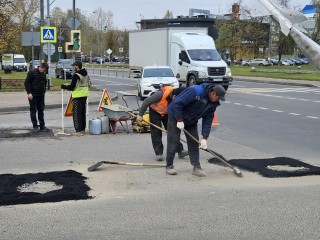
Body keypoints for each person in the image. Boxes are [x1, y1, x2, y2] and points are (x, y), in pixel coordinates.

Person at [165, 83, 226, 177]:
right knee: (174, 141)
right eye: (219, 98)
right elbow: (177, 104)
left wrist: (205, 138)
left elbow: (208, 121)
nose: (219, 100)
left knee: (194, 141)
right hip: (175, 115)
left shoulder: (213, 104)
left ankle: (196, 167)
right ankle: (169, 166)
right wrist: (179, 120)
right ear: (214, 94)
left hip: (191, 120)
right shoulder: (196, 91)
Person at [137, 86, 188, 161]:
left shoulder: (176, 96)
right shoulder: (160, 94)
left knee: (173, 131)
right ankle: (159, 153)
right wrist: (140, 115)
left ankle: (180, 150)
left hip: (166, 113)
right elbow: (146, 101)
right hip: (155, 111)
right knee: (156, 131)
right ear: (174, 96)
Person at [61, 61, 90, 136]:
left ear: (77, 66)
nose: (73, 67)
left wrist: (64, 86)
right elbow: (88, 84)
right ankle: (83, 129)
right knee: (82, 113)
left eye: (74, 66)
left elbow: (72, 87)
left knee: (77, 114)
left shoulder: (76, 75)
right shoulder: (86, 74)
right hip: (85, 95)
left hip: (77, 96)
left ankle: (78, 131)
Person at [24, 62, 49, 132]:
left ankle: (42, 125)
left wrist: (44, 90)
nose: (44, 72)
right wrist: (29, 93)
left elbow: (45, 82)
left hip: (41, 95)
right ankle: (35, 126)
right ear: (41, 67)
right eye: (44, 70)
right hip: (33, 95)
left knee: (41, 110)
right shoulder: (32, 72)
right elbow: (26, 83)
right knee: (33, 110)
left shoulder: (43, 74)